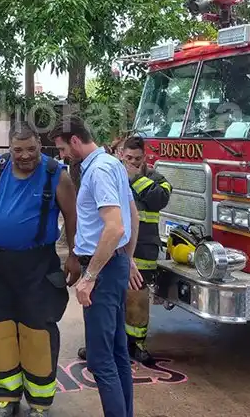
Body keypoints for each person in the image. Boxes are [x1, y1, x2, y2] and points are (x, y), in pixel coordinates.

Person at [0, 121, 80, 417]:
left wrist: (74, 256)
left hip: (37, 265)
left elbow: (72, 215)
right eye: (18, 150)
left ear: (39, 146)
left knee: (37, 333)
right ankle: (7, 399)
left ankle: (40, 404)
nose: (25, 155)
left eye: (31, 149)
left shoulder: (56, 174)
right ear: (10, 148)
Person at [48, 116, 142, 417]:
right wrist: (128, 258)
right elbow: (133, 217)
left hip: (102, 270)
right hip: (114, 264)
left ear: (75, 141)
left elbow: (114, 227)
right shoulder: (112, 164)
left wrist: (89, 277)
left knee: (101, 360)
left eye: (63, 149)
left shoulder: (99, 171)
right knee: (117, 354)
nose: (62, 155)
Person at [77, 135, 171, 364]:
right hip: (116, 248)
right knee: (109, 301)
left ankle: (137, 345)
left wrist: (135, 178)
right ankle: (104, 345)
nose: (133, 162)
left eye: (137, 158)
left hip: (144, 249)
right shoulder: (111, 174)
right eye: (128, 157)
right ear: (121, 154)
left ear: (145, 157)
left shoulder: (155, 179)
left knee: (137, 297)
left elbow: (160, 199)